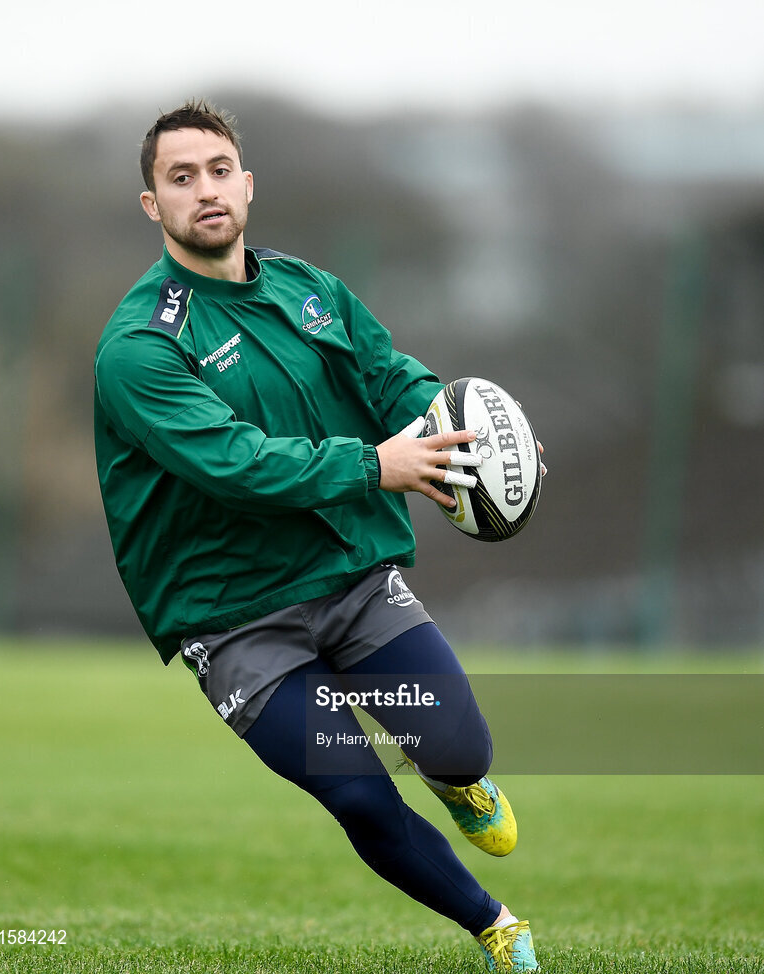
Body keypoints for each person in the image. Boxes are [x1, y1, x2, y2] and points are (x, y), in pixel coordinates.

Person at [94, 99, 543, 973]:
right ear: (153, 206)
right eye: (179, 179)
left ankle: (461, 783)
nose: (204, 190)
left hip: (351, 582)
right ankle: (496, 928)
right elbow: (236, 464)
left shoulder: (308, 288)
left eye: (218, 170)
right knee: (359, 795)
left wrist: (446, 425)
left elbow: (385, 375)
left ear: (247, 183)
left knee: (459, 747)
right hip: (234, 623)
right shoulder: (138, 347)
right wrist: (378, 467)